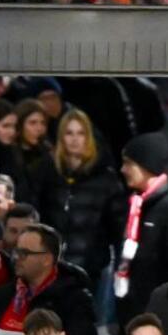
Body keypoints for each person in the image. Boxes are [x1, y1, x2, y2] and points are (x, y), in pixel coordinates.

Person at [45, 108, 124, 309]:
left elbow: (118, 228)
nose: (74, 139)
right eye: (69, 133)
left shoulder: (106, 179)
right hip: (52, 268)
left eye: (80, 133)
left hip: (93, 268)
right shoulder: (47, 173)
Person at [114, 132, 168, 327]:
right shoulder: (137, 205)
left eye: (128, 163)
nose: (122, 169)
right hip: (138, 316)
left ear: (146, 165)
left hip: (164, 320)